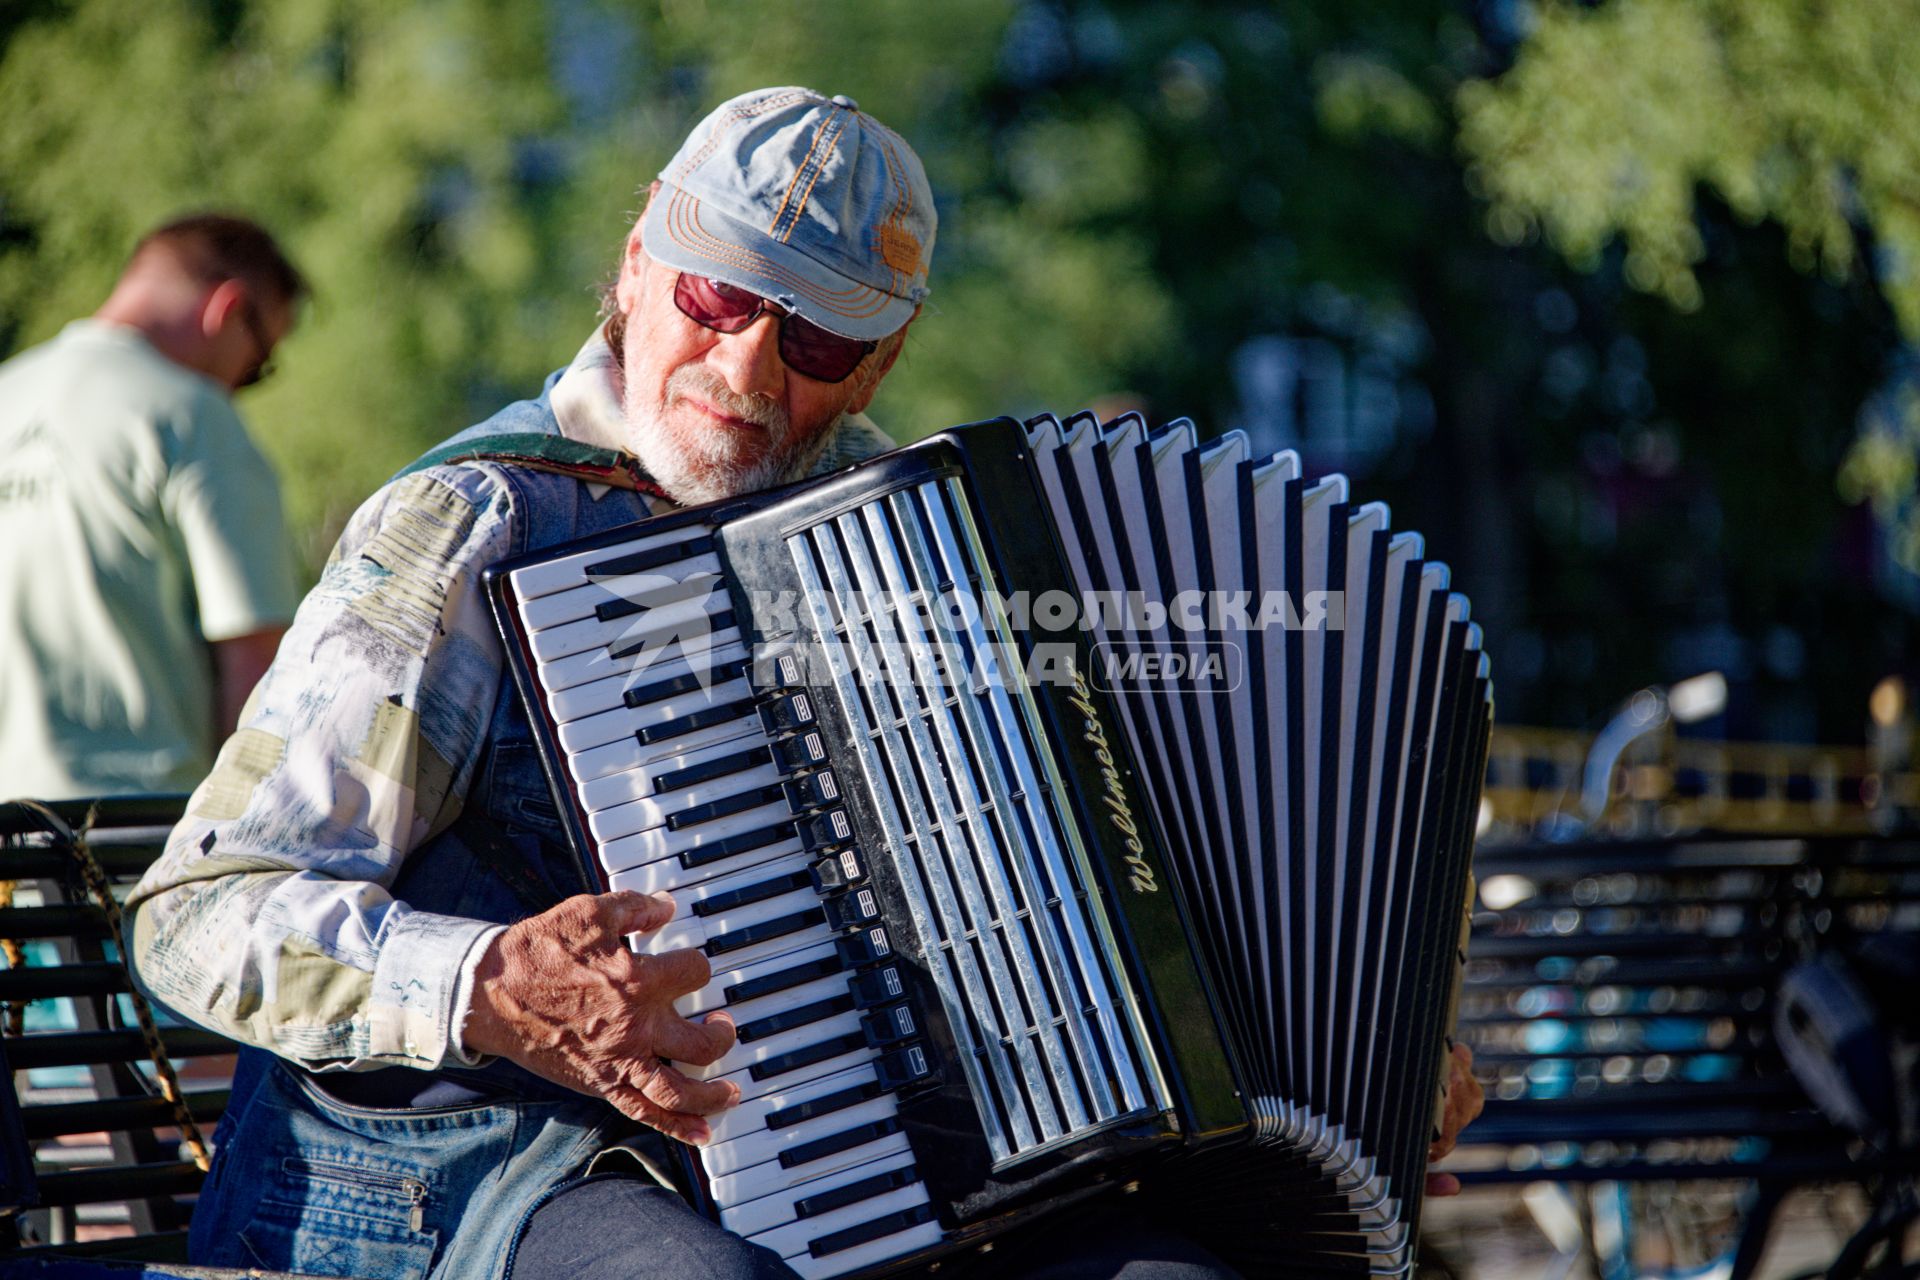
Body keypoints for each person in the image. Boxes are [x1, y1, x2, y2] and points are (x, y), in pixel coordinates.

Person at [126, 89, 1481, 1280]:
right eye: (720, 299)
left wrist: (1383, 1059)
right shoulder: (477, 524)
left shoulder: (928, 553)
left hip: (894, 1184)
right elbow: (201, 912)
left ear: (884, 359)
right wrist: (484, 978)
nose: (745, 370)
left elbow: (1130, 865)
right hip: (470, 1178)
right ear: (639, 263)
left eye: (819, 343)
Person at [0, 214, 303, 802]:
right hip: (137, 837)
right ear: (228, 308)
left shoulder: (6, 392)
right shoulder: (194, 417)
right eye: (263, 359)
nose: (247, 380)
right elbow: (256, 669)